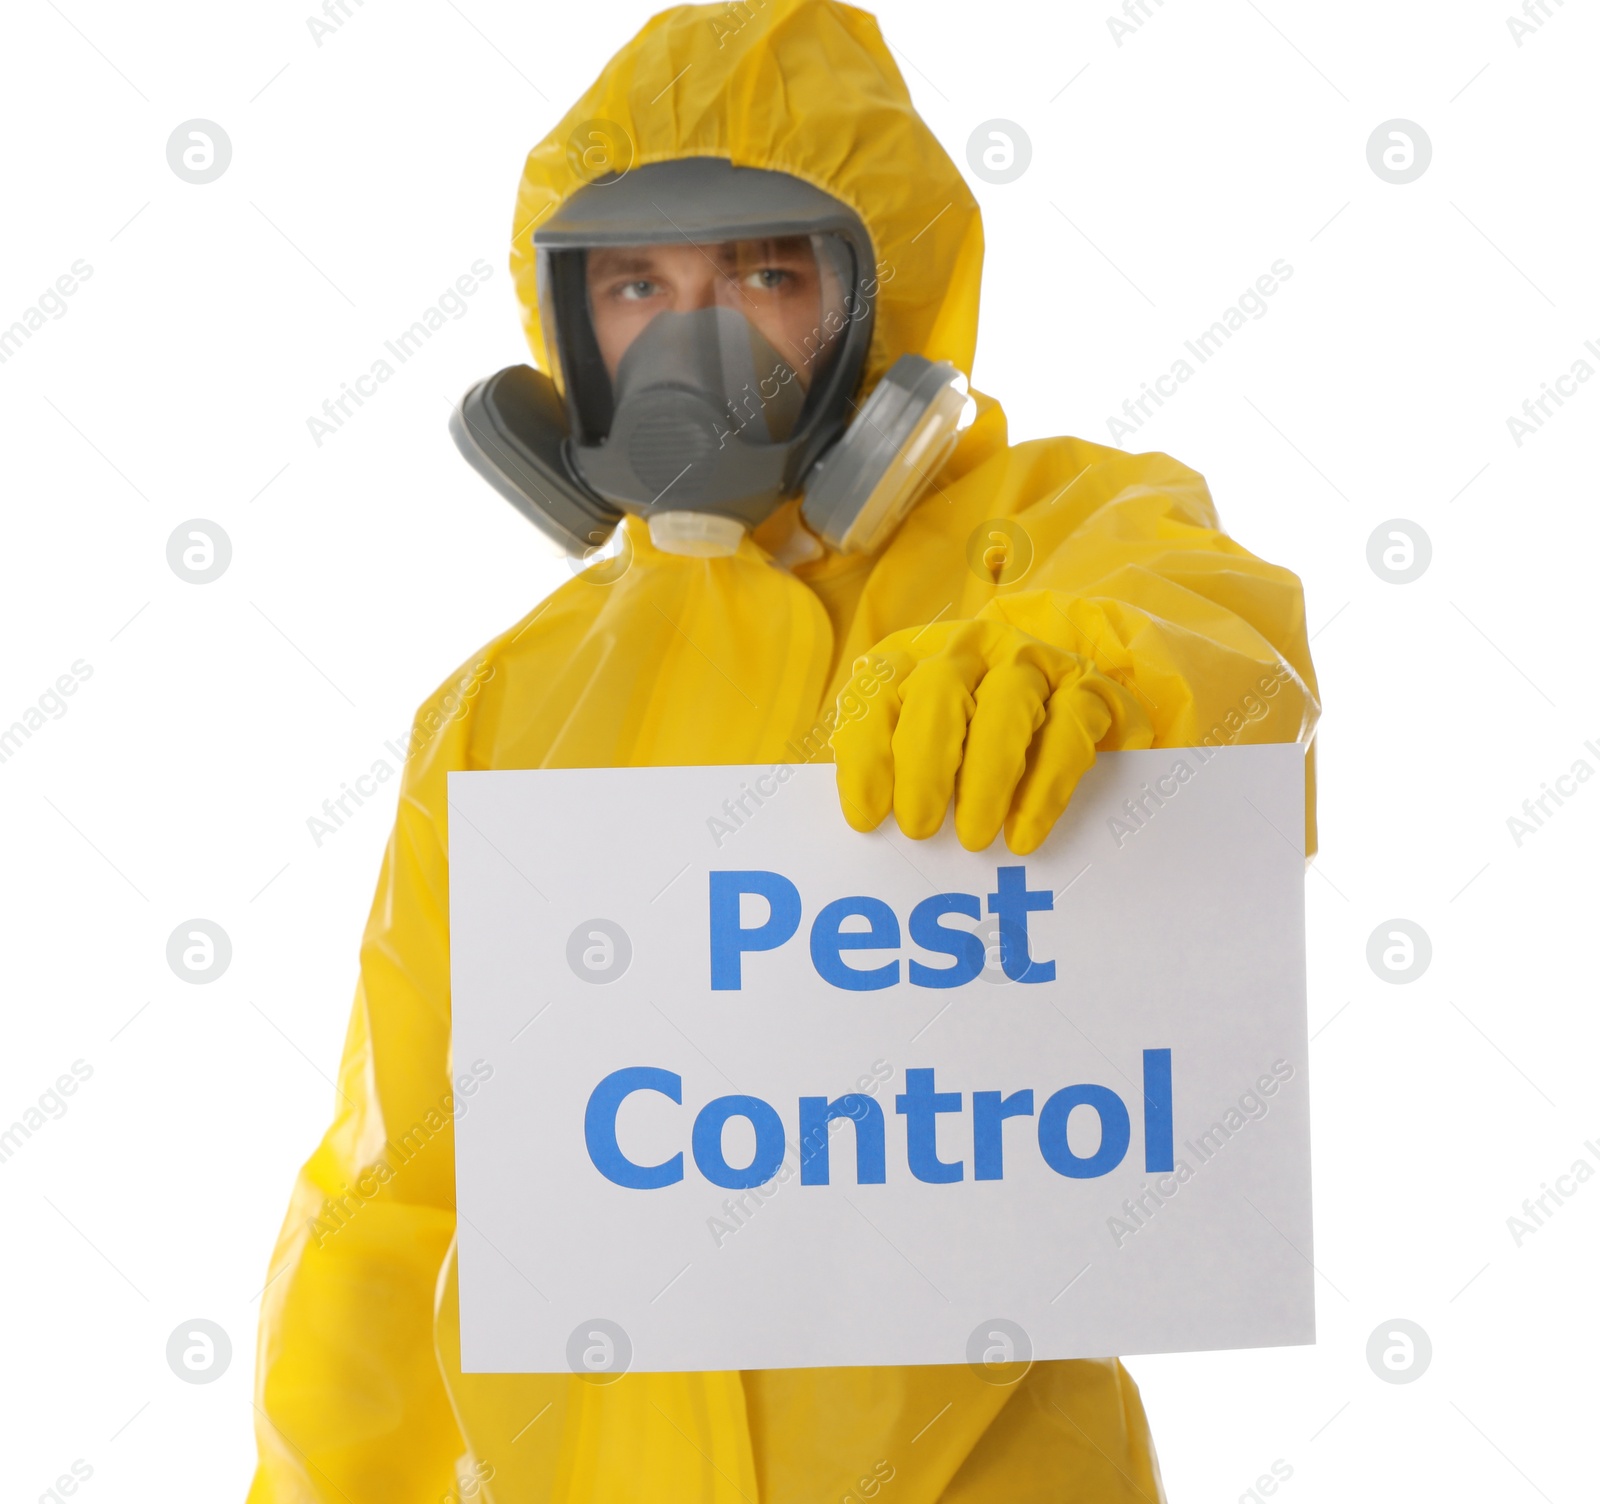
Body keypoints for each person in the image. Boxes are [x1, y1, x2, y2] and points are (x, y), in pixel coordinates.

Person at [247, 1, 1321, 1499]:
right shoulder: (502, 712)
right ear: (567, 331)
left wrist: (1079, 668)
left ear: (874, 293)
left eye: (761, 269)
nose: (691, 336)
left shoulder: (1042, 541)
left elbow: (1227, 644)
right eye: (633, 281)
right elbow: (394, 1205)